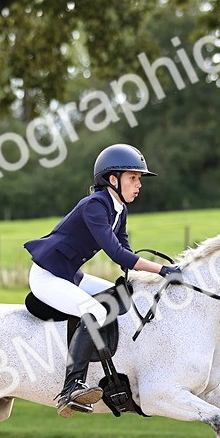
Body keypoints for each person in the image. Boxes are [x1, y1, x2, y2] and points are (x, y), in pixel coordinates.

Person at [24, 144, 181, 417]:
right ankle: (71, 387)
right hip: (48, 276)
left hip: (70, 275)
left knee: (119, 294)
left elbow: (126, 258)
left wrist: (149, 279)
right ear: (112, 179)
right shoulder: (95, 206)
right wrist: (161, 270)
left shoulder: (118, 209)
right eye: (133, 178)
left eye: (139, 179)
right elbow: (116, 253)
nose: (138, 185)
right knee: (95, 310)